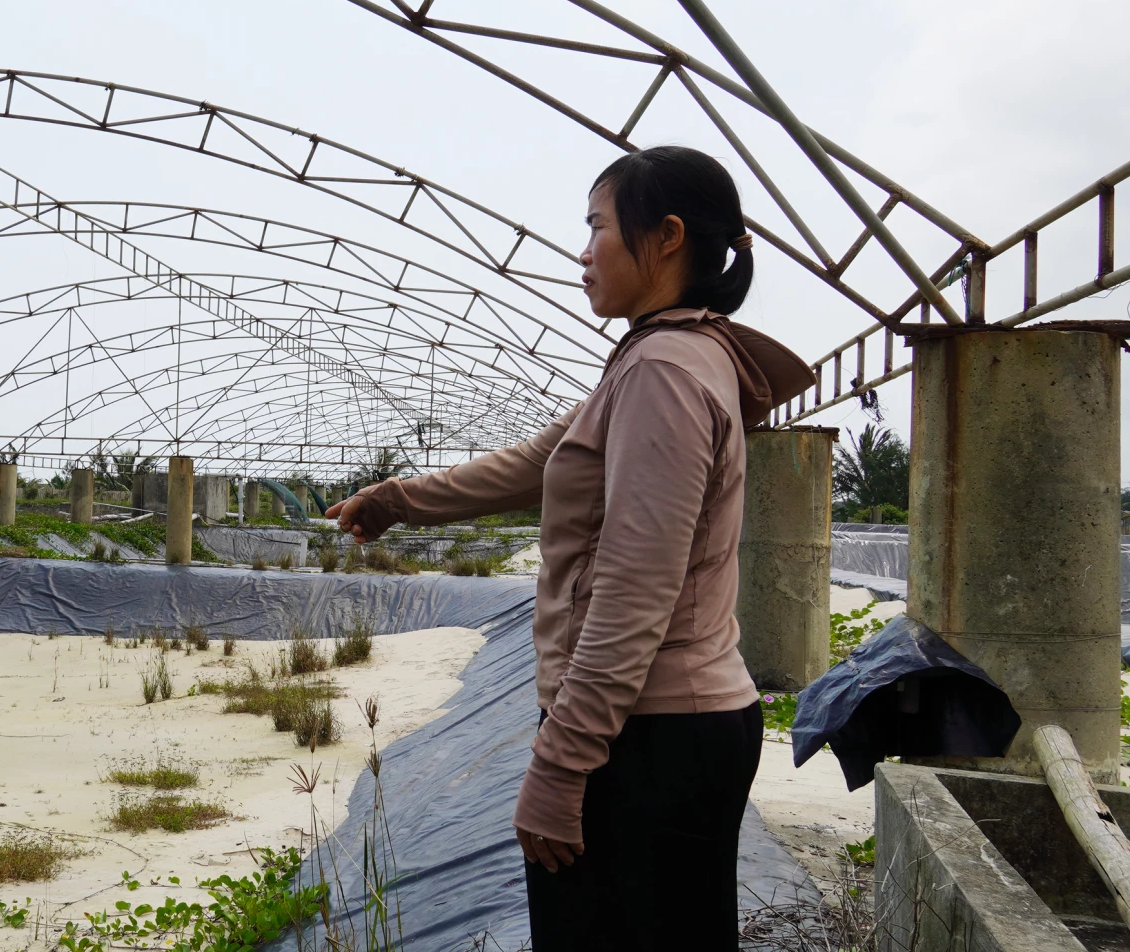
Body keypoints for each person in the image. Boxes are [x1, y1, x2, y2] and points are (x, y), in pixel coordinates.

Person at [325, 146, 814, 950]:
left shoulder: (663, 370)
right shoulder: (666, 356)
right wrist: (398, 499)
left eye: (597, 228)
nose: (583, 252)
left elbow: (635, 587)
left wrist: (561, 762)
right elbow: (535, 463)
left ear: (667, 237)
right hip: (671, 725)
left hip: (646, 735)